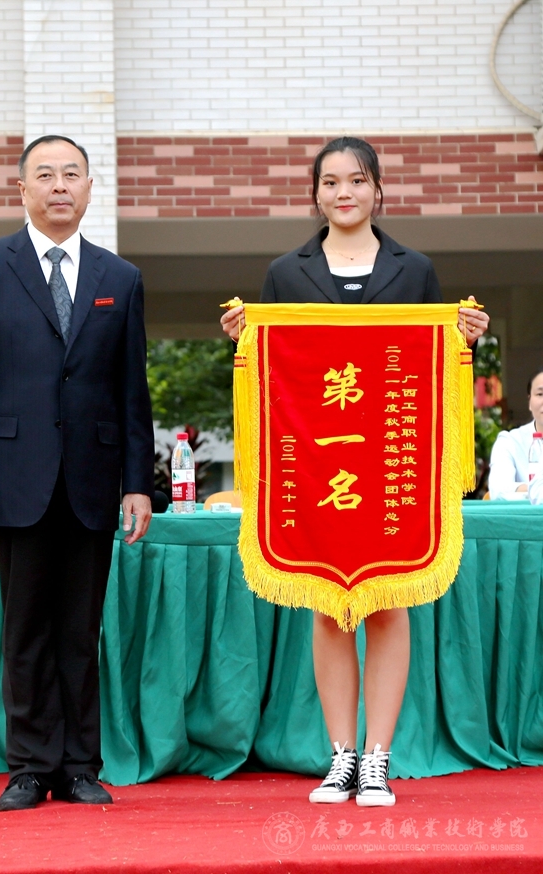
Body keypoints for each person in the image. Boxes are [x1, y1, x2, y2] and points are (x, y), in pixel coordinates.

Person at [220, 136, 489, 807]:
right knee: (329, 608)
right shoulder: (285, 272)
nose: (344, 193)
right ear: (315, 193)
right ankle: (340, 756)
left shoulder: (414, 269)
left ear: (378, 190)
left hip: (390, 461)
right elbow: (274, 373)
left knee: (388, 604)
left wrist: (462, 338)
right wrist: (246, 340)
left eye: (357, 180)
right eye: (331, 182)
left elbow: (431, 368)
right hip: (319, 463)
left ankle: (378, 758)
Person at [0, 134, 155, 812]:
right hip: (11, 477)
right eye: (45, 175)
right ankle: (30, 767)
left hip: (94, 479)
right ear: (23, 189)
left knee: (80, 631)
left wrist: (138, 482)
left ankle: (81, 766)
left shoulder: (120, 278)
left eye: (71, 174)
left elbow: (132, 391)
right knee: (26, 628)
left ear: (90, 188)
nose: (60, 185)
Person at [488, 369, 543, 502]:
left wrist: (526, 490)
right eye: (540, 394)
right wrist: (536, 490)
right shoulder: (510, 442)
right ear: (530, 402)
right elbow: (499, 490)